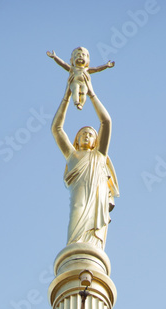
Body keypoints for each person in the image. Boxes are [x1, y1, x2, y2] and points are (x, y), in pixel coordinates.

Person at [51, 78, 119, 249]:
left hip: (98, 194)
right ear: (77, 140)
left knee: (96, 232)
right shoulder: (72, 155)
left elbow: (106, 122)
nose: (87, 136)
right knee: (77, 211)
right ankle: (74, 249)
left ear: (96, 140)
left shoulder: (100, 155)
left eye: (90, 134)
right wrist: (67, 95)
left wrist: (91, 94)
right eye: (83, 134)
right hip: (79, 195)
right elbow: (56, 129)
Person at [46, 46, 114, 110]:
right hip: (75, 82)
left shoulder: (86, 69)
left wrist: (106, 66)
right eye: (78, 55)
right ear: (72, 60)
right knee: (75, 90)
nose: (80, 56)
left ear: (87, 61)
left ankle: (81, 104)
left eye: (83, 55)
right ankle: (76, 101)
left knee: (83, 92)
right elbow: (63, 64)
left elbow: (97, 69)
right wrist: (55, 57)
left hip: (84, 83)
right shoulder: (72, 68)